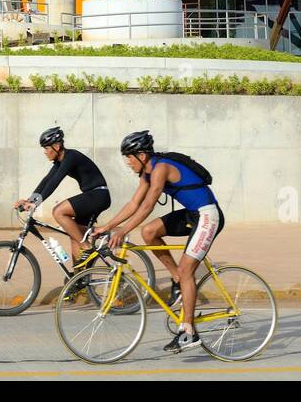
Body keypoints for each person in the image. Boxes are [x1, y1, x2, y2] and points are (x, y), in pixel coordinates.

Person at [94, 130, 223, 353]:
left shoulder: (160, 168)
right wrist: (107, 226)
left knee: (187, 271)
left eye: (129, 157)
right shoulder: (147, 173)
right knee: (149, 232)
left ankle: (188, 332)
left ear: (142, 155)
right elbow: (134, 203)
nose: (127, 162)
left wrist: (123, 231)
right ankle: (176, 278)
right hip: (192, 214)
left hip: (207, 215)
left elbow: (147, 206)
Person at [13, 127, 109, 266]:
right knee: (75, 236)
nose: (45, 152)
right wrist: (29, 200)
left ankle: (88, 248)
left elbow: (55, 181)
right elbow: (47, 180)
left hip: (98, 195)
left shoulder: (71, 157)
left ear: (57, 146)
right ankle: (79, 282)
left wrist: (35, 203)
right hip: (93, 195)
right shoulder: (60, 162)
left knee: (58, 211)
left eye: (46, 148)